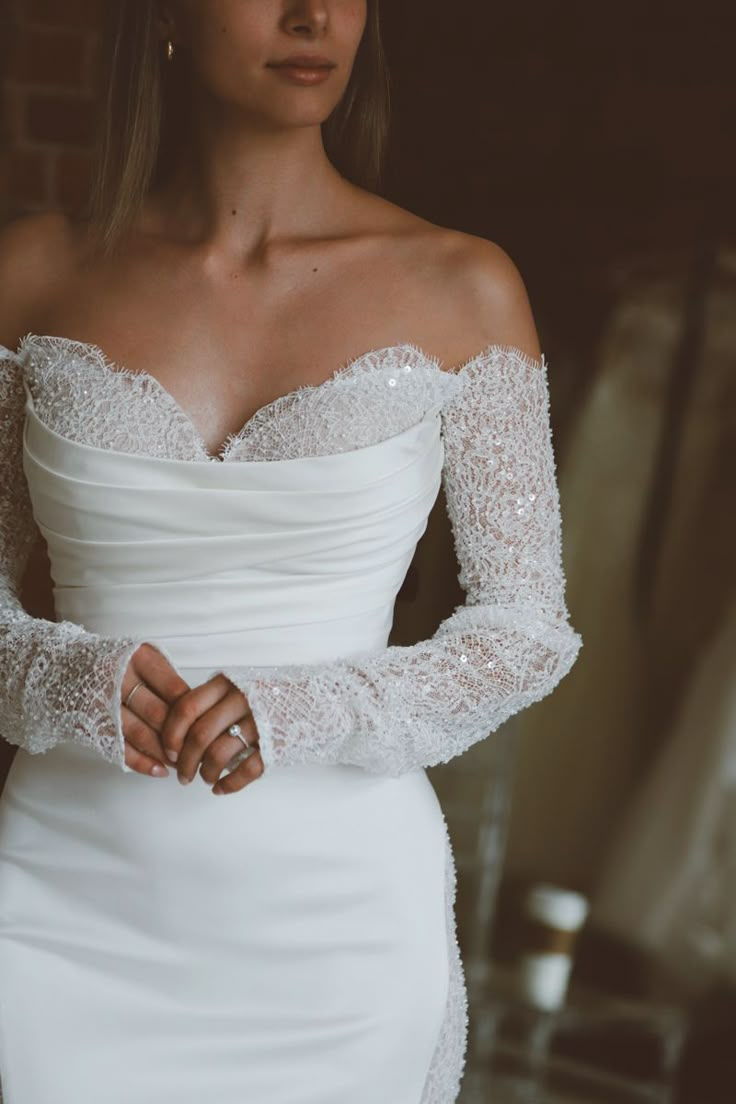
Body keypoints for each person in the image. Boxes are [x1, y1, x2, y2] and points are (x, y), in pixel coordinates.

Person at [0, 2, 583, 1101]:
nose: (313, 14)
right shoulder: (31, 273)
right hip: (62, 912)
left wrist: (300, 707)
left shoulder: (464, 286)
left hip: (337, 929)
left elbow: (524, 630)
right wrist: (65, 678)